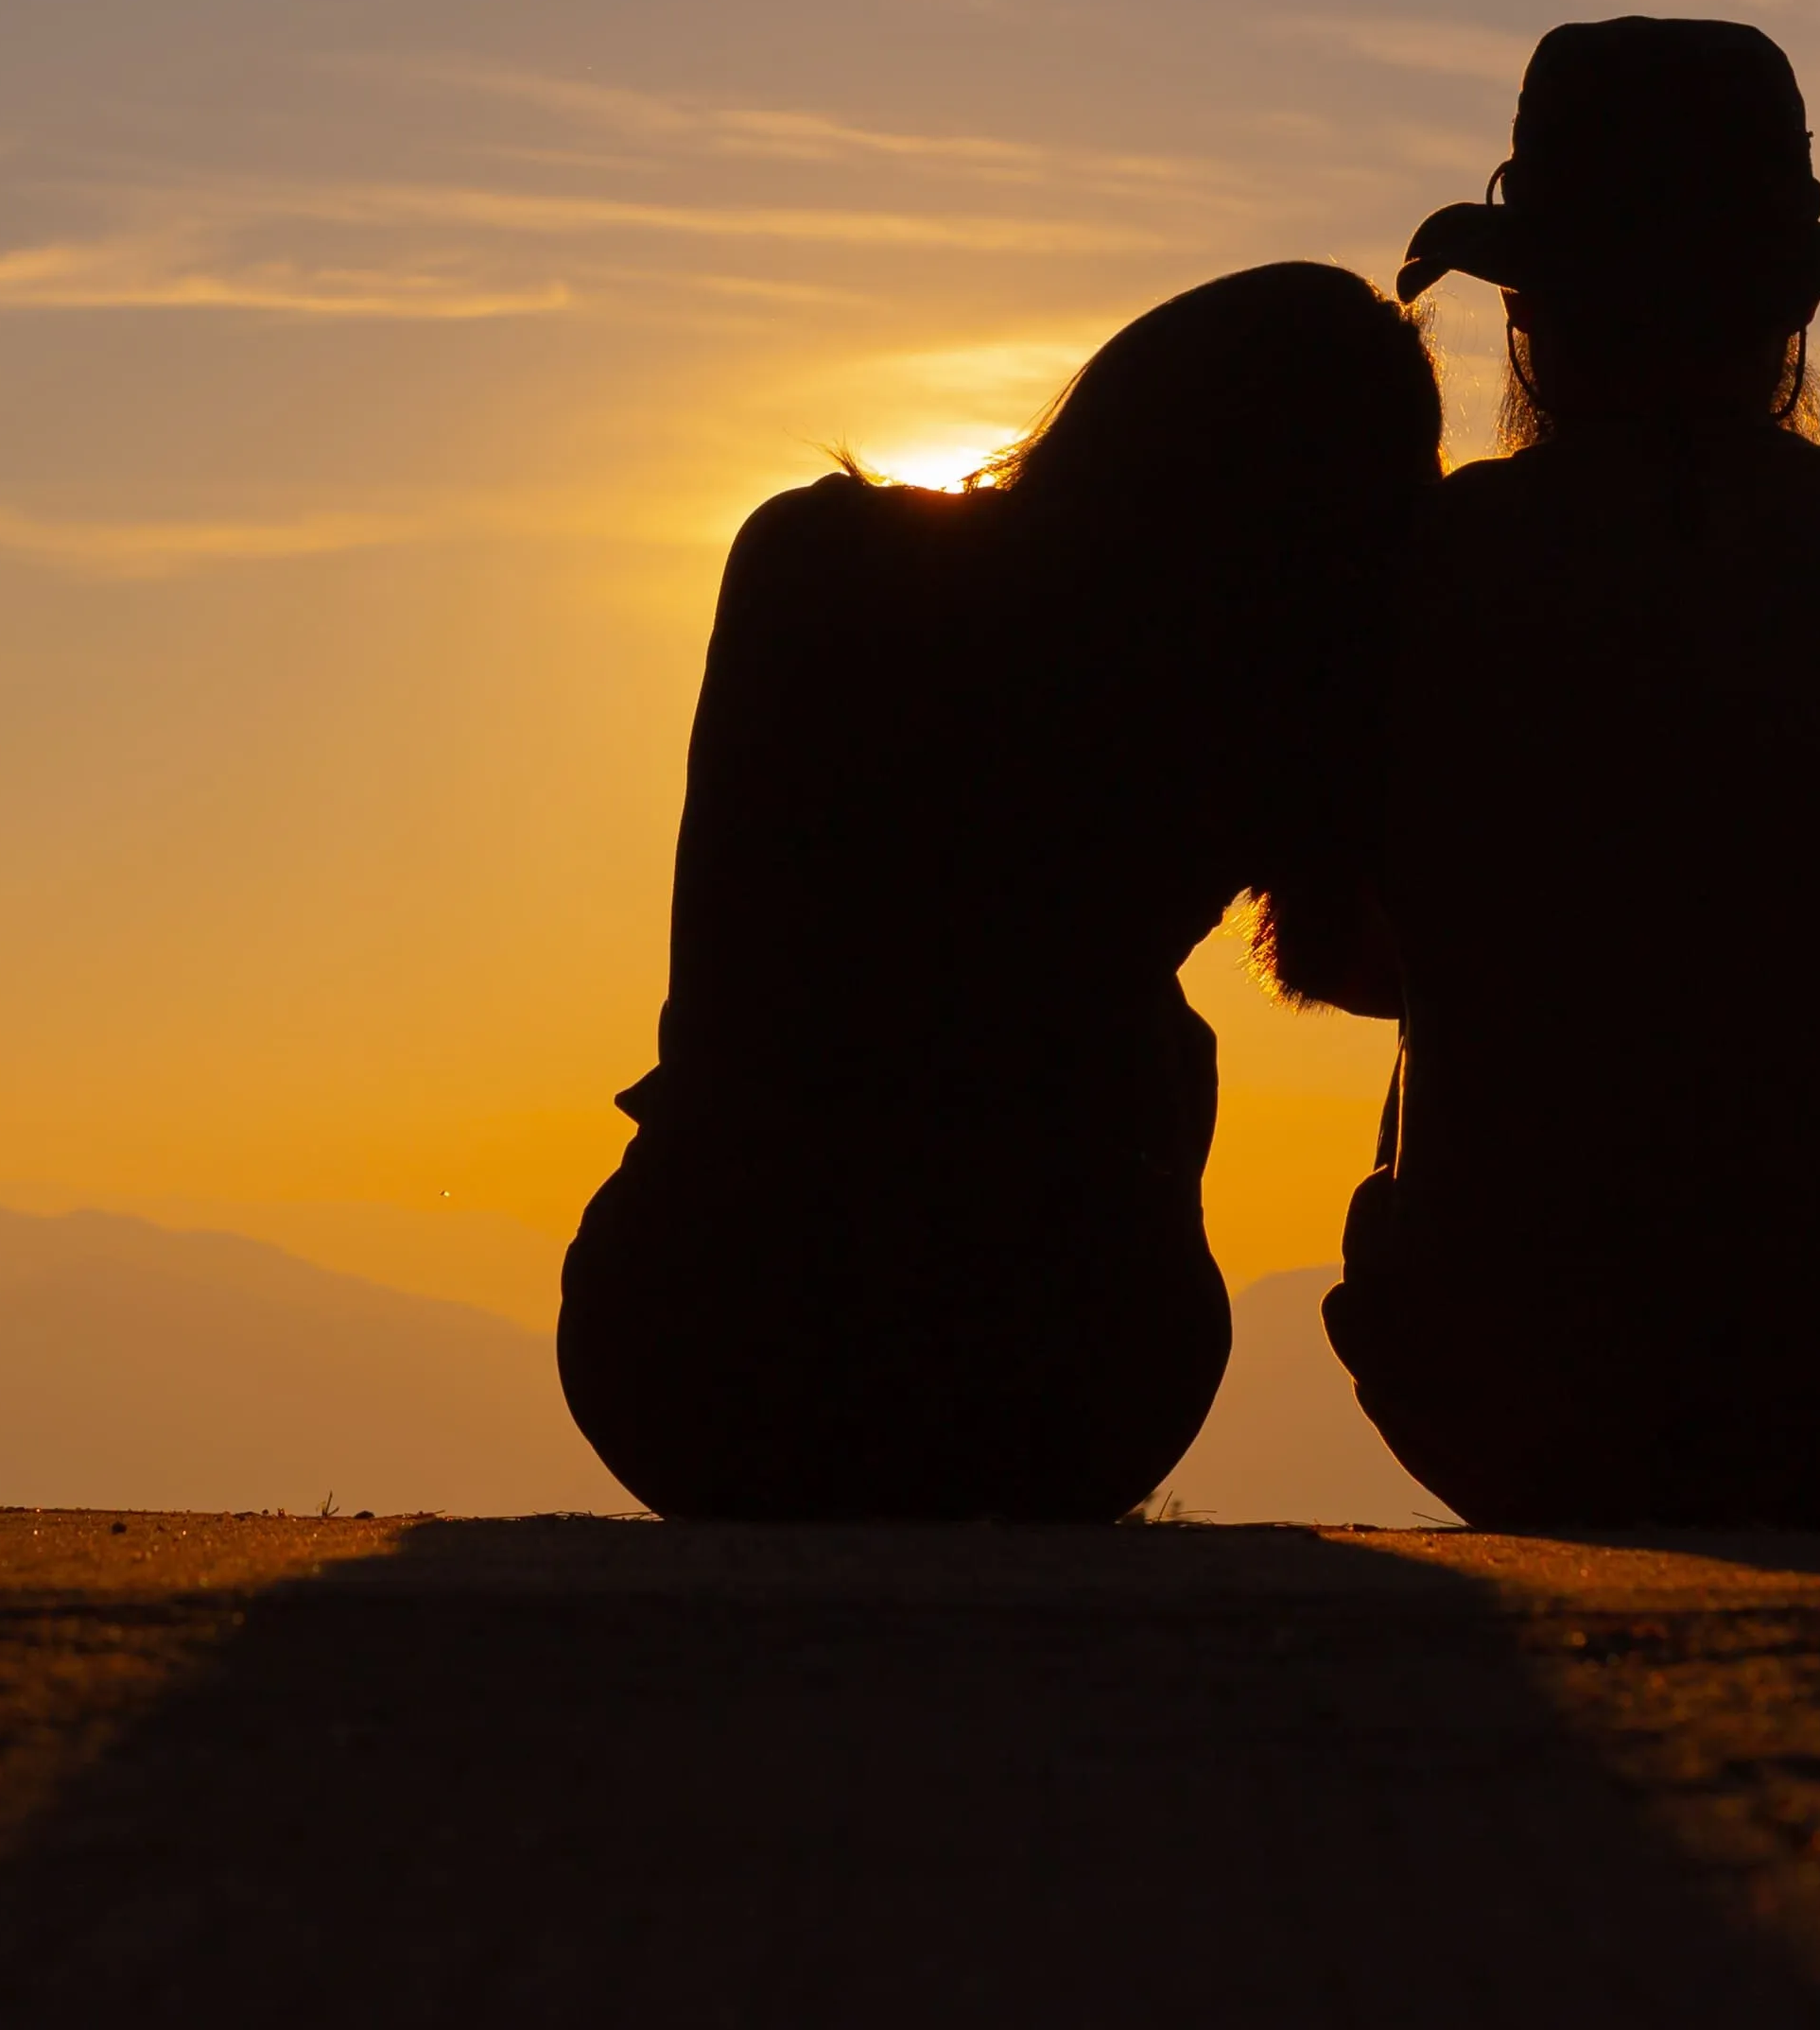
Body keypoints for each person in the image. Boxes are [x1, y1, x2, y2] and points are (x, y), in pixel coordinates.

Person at [1324, 19, 1820, 1530]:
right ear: (1791, 323)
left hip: (1519, 1408)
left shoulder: (1403, 575)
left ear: (1530, 323)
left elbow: (1354, 960)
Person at [559, 263, 1440, 1520]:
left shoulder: (805, 555)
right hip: (1070, 1386)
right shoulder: (1280, 682)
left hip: (675, 1347)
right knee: (1161, 1053)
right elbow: (1378, 975)